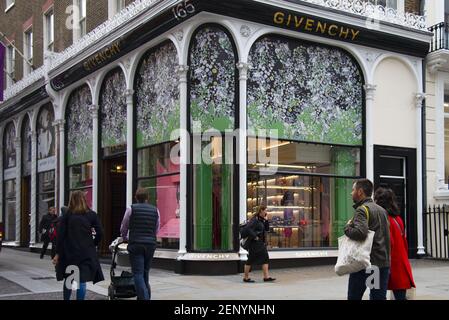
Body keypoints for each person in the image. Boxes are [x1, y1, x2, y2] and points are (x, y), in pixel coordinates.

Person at [53, 191, 104, 301]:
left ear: (72, 200)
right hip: (86, 253)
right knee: (82, 281)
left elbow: (61, 236)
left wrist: (57, 253)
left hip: (69, 253)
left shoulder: (67, 215)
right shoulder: (91, 214)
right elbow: (100, 232)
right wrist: (93, 243)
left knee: (69, 279)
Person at [344, 179, 391, 300]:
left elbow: (360, 233)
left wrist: (347, 227)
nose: (351, 193)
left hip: (364, 264)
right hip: (380, 264)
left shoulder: (362, 210)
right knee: (377, 297)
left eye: (353, 190)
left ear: (360, 192)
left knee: (354, 296)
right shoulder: (382, 211)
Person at [374, 188, 416, 300]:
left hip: (383, 263)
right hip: (400, 263)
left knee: (375, 295)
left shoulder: (382, 219)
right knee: (400, 296)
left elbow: (388, 243)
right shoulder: (398, 219)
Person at [120, 188, 160, 300]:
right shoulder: (155, 210)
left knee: (137, 273)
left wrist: (124, 237)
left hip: (136, 243)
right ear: (147, 198)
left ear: (136, 198)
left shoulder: (131, 209)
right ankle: (145, 296)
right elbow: (157, 228)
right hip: (150, 244)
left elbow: (124, 226)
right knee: (145, 272)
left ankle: (144, 298)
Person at [243, 205, 276, 283]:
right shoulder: (255, 219)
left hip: (260, 243)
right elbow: (247, 228)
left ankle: (266, 277)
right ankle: (246, 277)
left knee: (265, 258)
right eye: (265, 210)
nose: (266, 212)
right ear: (261, 210)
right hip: (254, 243)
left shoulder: (262, 219)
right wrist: (255, 237)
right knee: (250, 259)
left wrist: (266, 220)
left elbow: (267, 229)